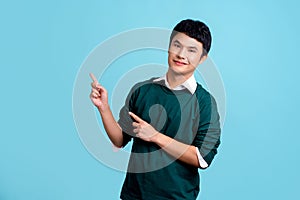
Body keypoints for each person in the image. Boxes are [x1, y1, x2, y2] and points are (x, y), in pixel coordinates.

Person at [90, 19, 221, 200]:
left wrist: (155, 136)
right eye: (177, 45)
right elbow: (119, 140)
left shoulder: (205, 103)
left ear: (202, 58)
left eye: (191, 50)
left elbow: (202, 158)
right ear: (168, 46)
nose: (181, 54)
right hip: (134, 195)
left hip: (176, 197)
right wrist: (103, 107)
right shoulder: (142, 90)